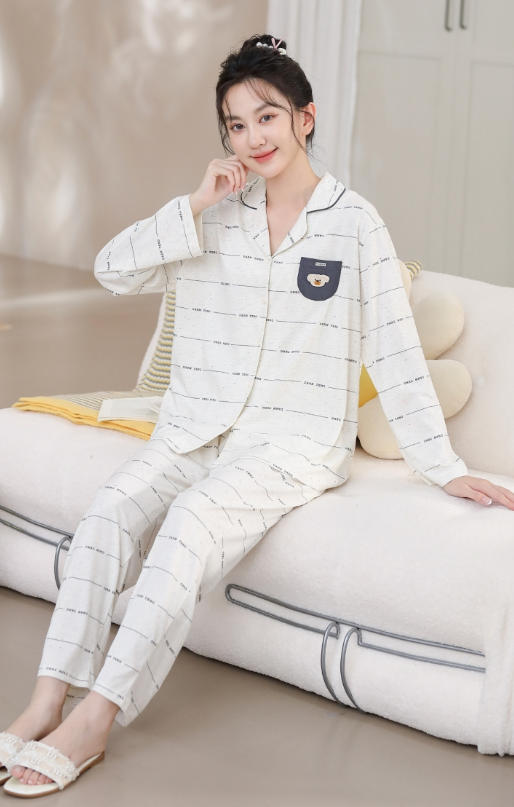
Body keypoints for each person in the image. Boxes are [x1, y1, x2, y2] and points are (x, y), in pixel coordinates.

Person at [3, 31, 513, 797]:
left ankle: (95, 718)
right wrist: (194, 204)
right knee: (108, 511)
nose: (252, 138)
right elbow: (112, 269)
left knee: (189, 523)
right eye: (236, 125)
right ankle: (46, 699)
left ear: (306, 118)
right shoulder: (214, 215)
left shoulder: (355, 225)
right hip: (195, 425)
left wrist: (444, 468)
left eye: (267, 117)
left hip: (289, 443)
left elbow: (395, 352)